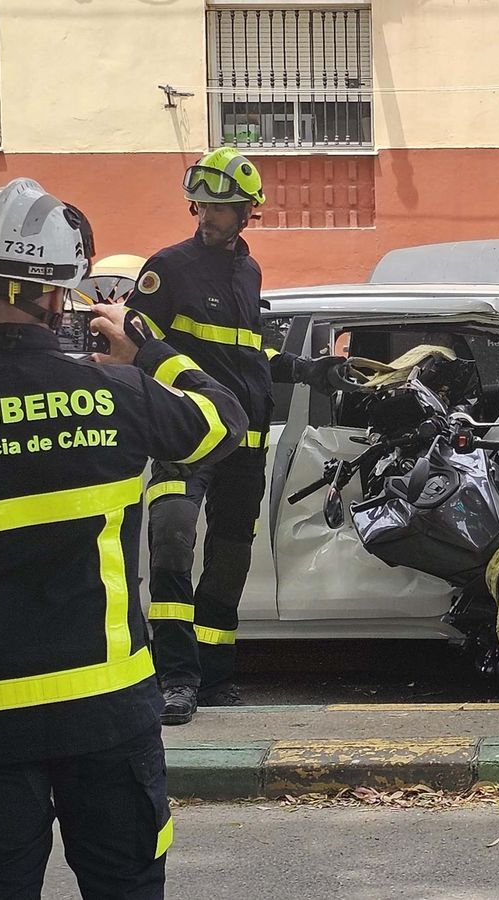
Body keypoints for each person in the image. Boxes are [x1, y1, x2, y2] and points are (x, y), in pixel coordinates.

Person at [0, 178, 246, 898]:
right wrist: (148, 350)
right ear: (56, 296)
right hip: (107, 714)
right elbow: (223, 418)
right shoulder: (120, 397)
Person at [128, 147, 340, 724]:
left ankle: (214, 675)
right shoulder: (167, 270)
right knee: (171, 544)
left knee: (230, 559)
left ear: (248, 212)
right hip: (185, 438)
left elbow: (247, 355)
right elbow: (131, 347)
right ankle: (175, 678)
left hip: (244, 444)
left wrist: (306, 369)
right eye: (205, 204)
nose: (209, 215)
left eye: (225, 207)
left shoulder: (249, 273)